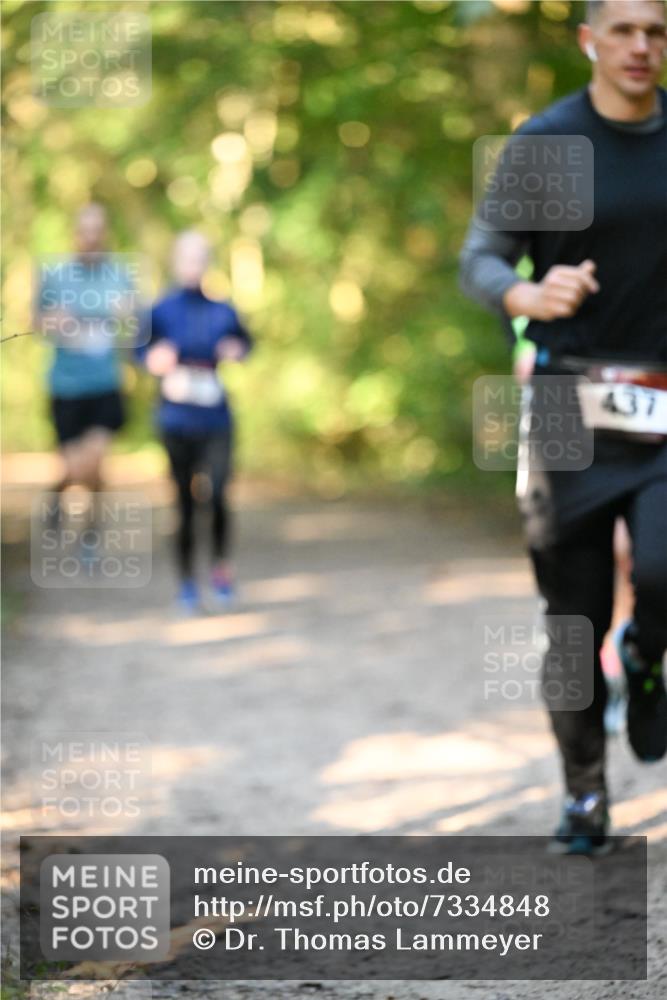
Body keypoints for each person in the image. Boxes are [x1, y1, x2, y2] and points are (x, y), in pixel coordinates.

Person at [460, 0, 667, 854]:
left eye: (656, 30)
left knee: (660, 568)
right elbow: (479, 256)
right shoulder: (548, 143)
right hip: (562, 409)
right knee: (570, 625)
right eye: (622, 29)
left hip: (662, 402)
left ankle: (647, 656)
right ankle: (584, 797)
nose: (640, 46)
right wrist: (524, 295)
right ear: (588, 39)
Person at [139, 231, 252, 614]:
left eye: (200, 257)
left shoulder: (223, 309)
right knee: (184, 502)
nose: (193, 264)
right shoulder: (161, 310)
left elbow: (247, 342)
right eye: (187, 257)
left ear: (208, 262)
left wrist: (236, 350)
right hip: (175, 418)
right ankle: (187, 583)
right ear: (175, 260)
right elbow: (137, 350)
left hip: (216, 416)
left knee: (218, 495)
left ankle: (220, 571)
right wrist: (153, 358)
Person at [36, 203, 134, 532]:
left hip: (106, 382)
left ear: (105, 234)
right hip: (66, 384)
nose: (91, 238)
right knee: (77, 466)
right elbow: (35, 321)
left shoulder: (120, 275)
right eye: (85, 231)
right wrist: (54, 319)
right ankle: (59, 493)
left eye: (97, 231)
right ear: (75, 234)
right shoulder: (55, 275)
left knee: (96, 459)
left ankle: (91, 529)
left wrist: (127, 314)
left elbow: (137, 323)